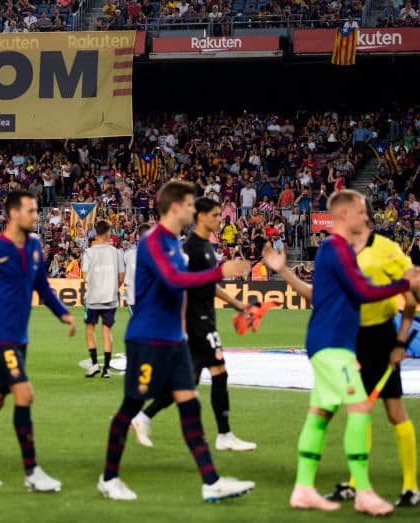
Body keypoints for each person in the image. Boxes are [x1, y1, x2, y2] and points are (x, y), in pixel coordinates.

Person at [98, 180, 255, 502]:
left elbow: (183, 286)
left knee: (190, 405)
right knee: (131, 406)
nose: (192, 209)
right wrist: (220, 271)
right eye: (188, 204)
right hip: (148, 338)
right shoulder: (154, 241)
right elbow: (174, 280)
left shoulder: (172, 241)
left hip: (173, 339)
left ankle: (211, 482)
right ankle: (109, 478)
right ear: (174, 207)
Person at [264, 197, 420, 511]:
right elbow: (359, 292)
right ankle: (360, 490)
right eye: (360, 211)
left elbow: (409, 298)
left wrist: (400, 340)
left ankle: (307, 488)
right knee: (359, 408)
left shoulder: (358, 250)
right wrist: (401, 284)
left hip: (360, 338)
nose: (365, 216)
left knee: (324, 413)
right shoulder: (338, 251)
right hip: (338, 342)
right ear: (347, 216)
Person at [0, 190, 76, 491]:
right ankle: (32, 473)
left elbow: (43, 287)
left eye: (37, 211)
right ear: (13, 214)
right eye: (31, 211)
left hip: (19, 338)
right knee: (24, 395)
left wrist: (62, 314)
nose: (36, 216)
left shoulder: (35, 247)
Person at [130, 197, 256, 451]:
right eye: (216, 215)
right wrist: (183, 326)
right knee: (220, 372)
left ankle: (142, 417)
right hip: (197, 322)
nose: (221, 219)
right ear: (201, 217)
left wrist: (236, 303)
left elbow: (209, 284)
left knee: (189, 381)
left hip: (204, 317)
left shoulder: (206, 247)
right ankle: (224, 435)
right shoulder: (191, 249)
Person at [82, 220, 125, 378]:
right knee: (107, 332)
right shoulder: (116, 252)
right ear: (108, 233)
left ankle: (94, 365)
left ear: (95, 232)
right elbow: (121, 276)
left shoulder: (89, 253)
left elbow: (85, 276)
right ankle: (106, 369)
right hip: (110, 298)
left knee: (90, 331)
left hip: (93, 298)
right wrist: (113, 287)